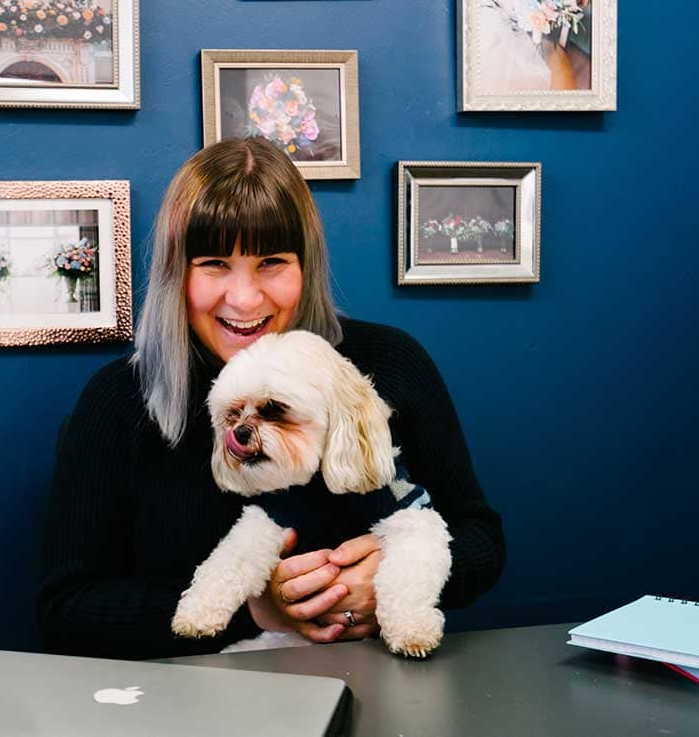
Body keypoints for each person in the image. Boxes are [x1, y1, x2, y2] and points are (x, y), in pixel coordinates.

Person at [38, 138, 505, 660]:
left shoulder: (388, 362)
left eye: (272, 263)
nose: (245, 298)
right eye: (214, 263)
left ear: (306, 267)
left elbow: (479, 535)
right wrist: (255, 611)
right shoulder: (121, 398)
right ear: (177, 273)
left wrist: (388, 584)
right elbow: (67, 608)